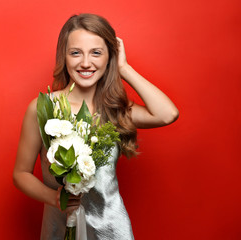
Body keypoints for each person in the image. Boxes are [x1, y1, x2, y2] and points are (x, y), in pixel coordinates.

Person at [13, 13, 179, 240]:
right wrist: (55, 198)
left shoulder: (116, 109)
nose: (85, 63)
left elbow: (167, 114)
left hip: (111, 229)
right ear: (64, 56)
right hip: (61, 226)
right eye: (75, 53)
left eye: (97, 53)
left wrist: (125, 68)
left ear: (110, 57)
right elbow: (20, 174)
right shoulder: (44, 108)